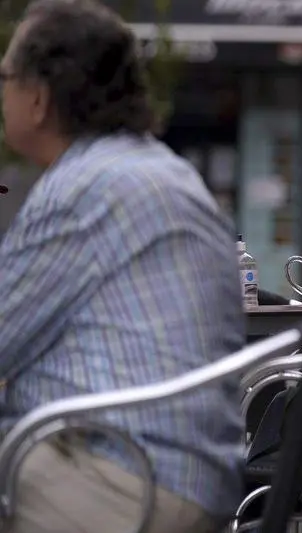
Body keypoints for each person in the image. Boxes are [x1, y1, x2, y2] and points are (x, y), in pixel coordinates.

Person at [0, 1, 244, 531]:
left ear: (38, 98)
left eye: (5, 78)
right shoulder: (161, 170)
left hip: (118, 478)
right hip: (187, 476)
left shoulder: (79, 189)